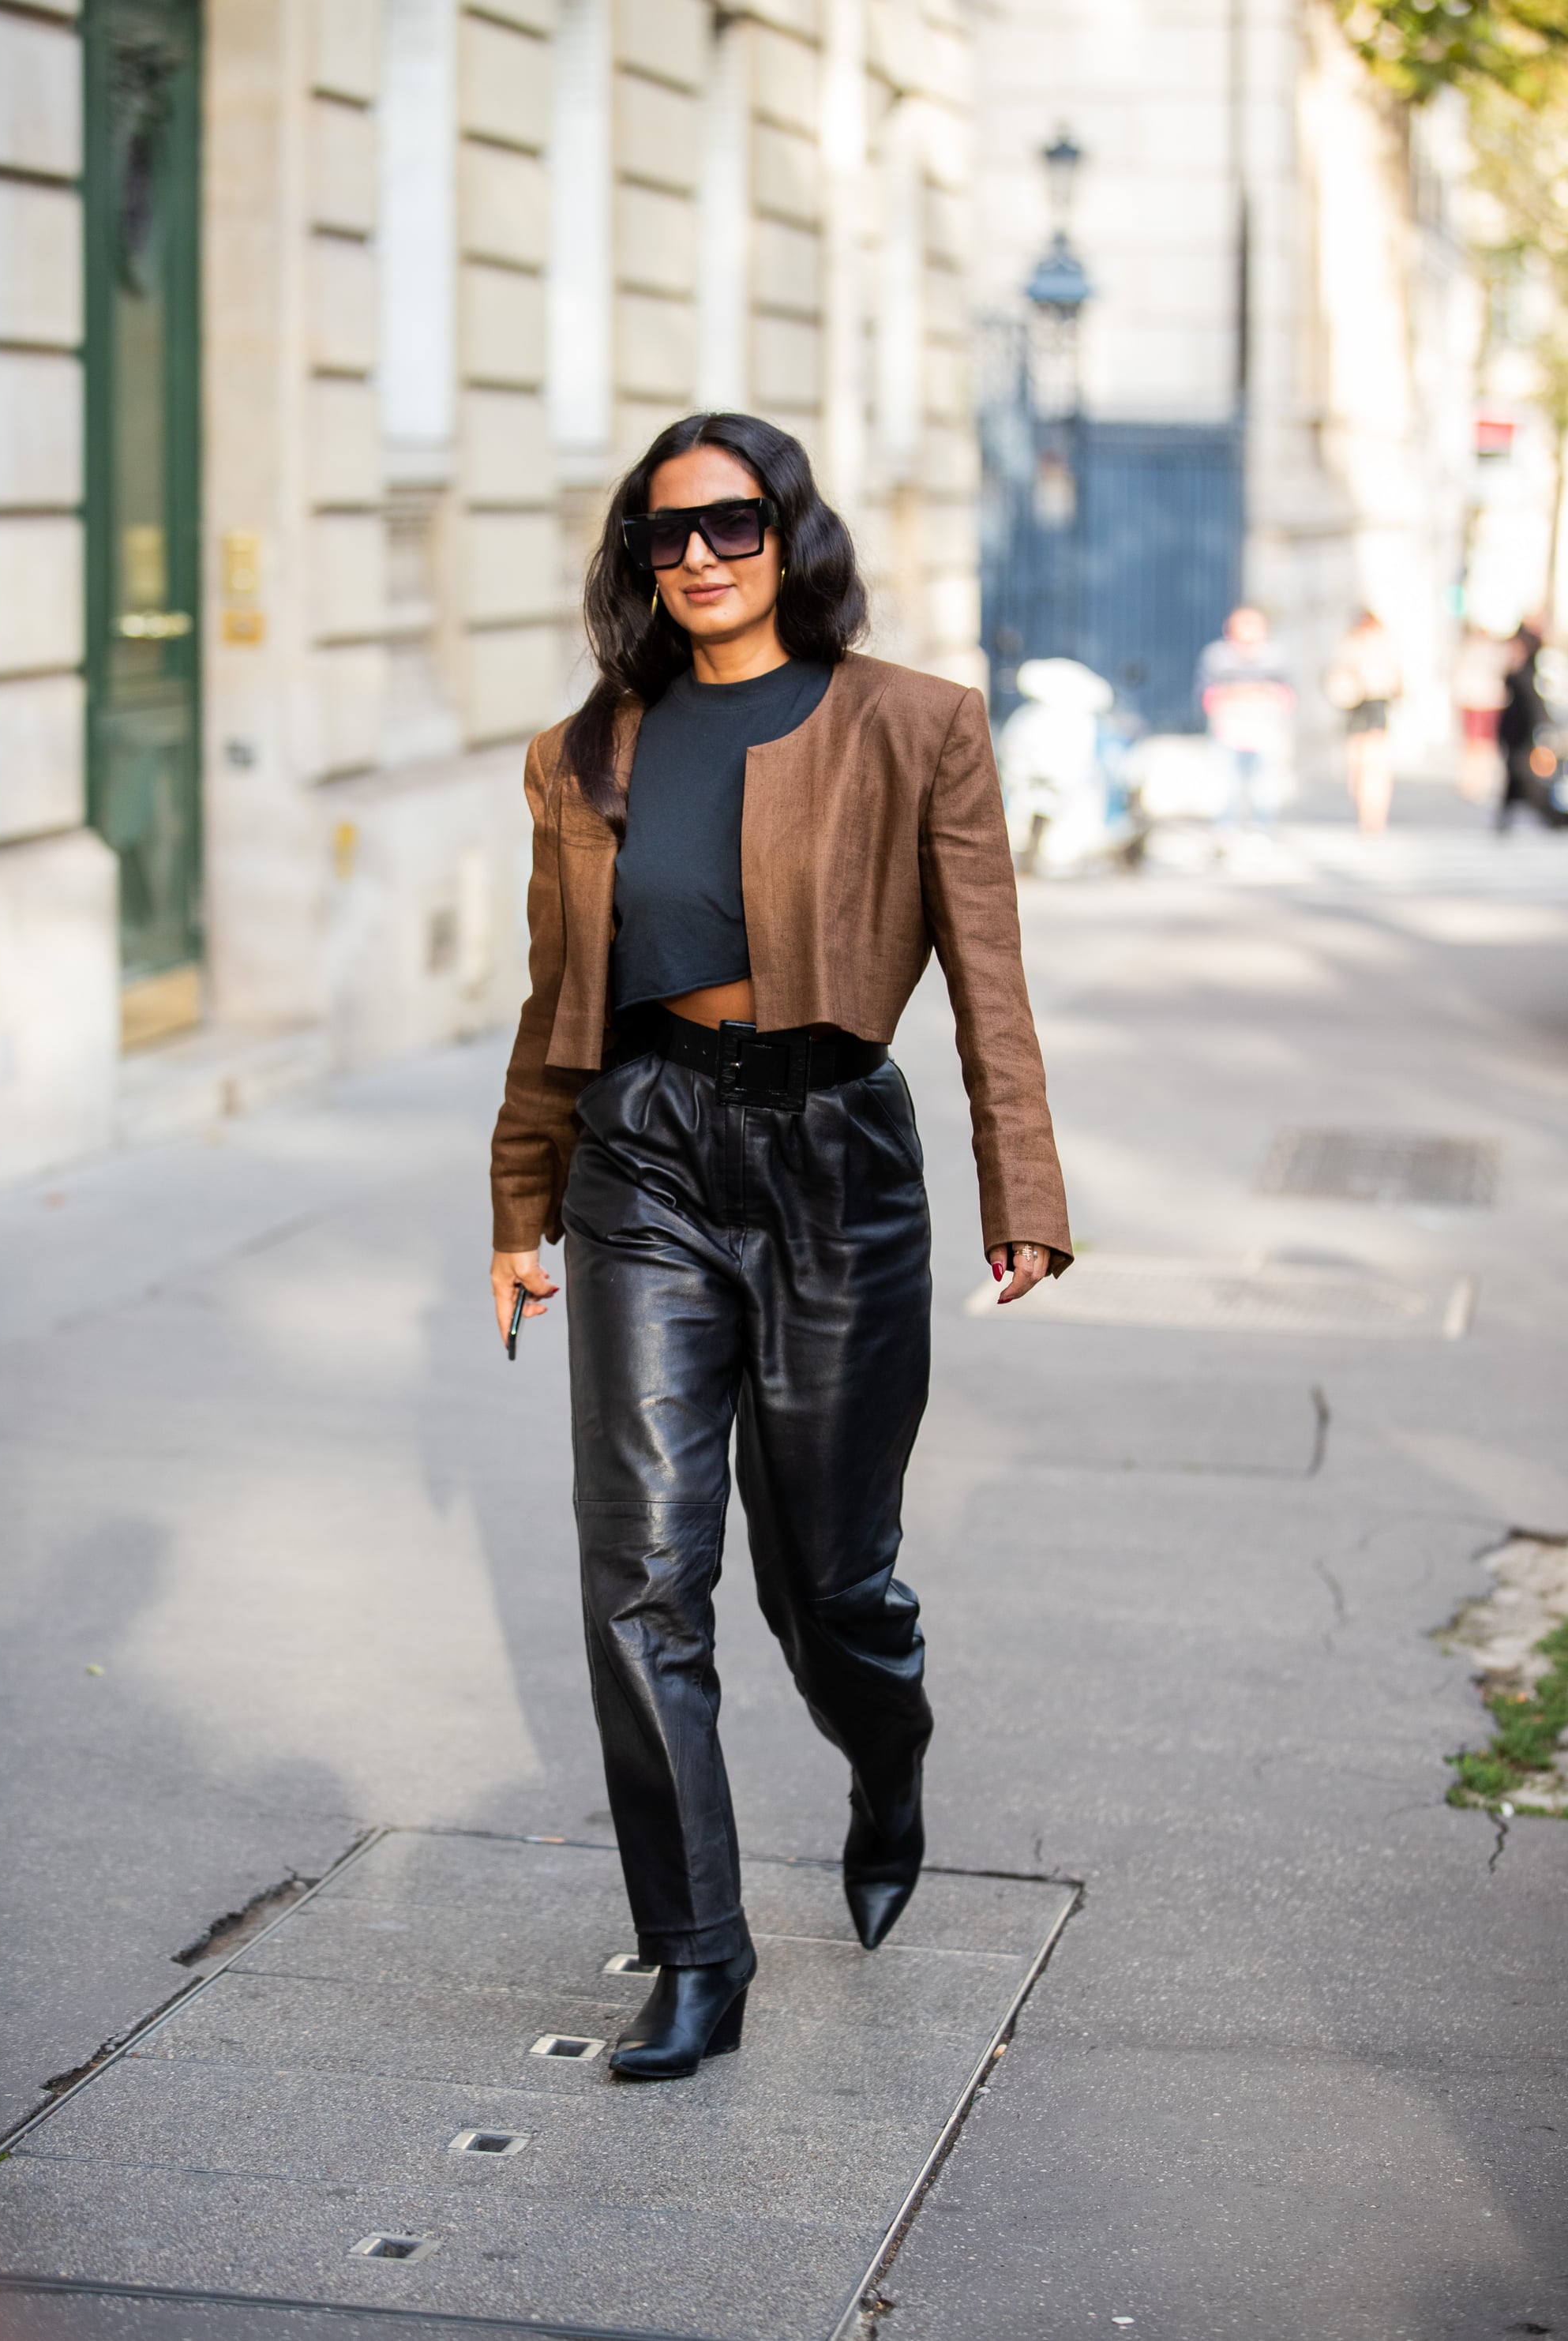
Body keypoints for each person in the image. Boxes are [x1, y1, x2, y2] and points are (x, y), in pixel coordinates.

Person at [489, 411, 1070, 2082]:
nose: (696, 560)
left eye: (729, 526)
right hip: (646, 1158)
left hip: (835, 1159)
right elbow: (556, 1000)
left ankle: (885, 1765)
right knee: (641, 1580)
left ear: (788, 535)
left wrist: (1019, 1189)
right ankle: (699, 1955)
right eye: (661, 538)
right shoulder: (587, 750)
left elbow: (988, 978)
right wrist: (522, 1207)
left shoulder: (917, 724)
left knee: (831, 1584)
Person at [1193, 606, 1295, 829]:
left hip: (1264, 730)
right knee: (1226, 785)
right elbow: (1207, 693)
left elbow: (1286, 693)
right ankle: (1225, 830)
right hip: (1228, 729)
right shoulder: (1218, 656)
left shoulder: (1275, 655)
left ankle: (1262, 829)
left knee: (1264, 787)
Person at [1326, 609, 1402, 834]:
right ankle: (1367, 812)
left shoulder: (1383, 646)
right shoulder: (1350, 645)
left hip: (1375, 705)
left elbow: (1396, 680)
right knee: (1360, 766)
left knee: (1374, 765)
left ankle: (1374, 815)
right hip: (1358, 706)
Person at [1496, 625, 1551, 831]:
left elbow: (1535, 705)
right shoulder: (1518, 670)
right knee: (1516, 770)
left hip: (1526, 730)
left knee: (1524, 771)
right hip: (1514, 729)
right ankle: (1511, 811)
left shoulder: (1530, 672)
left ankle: (1543, 811)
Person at [1453, 624, 1506, 805]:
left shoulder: (1487, 651)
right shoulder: (1475, 650)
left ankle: (1477, 781)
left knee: (1480, 745)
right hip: (1478, 700)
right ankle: (1475, 781)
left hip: (1482, 700)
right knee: (1477, 745)